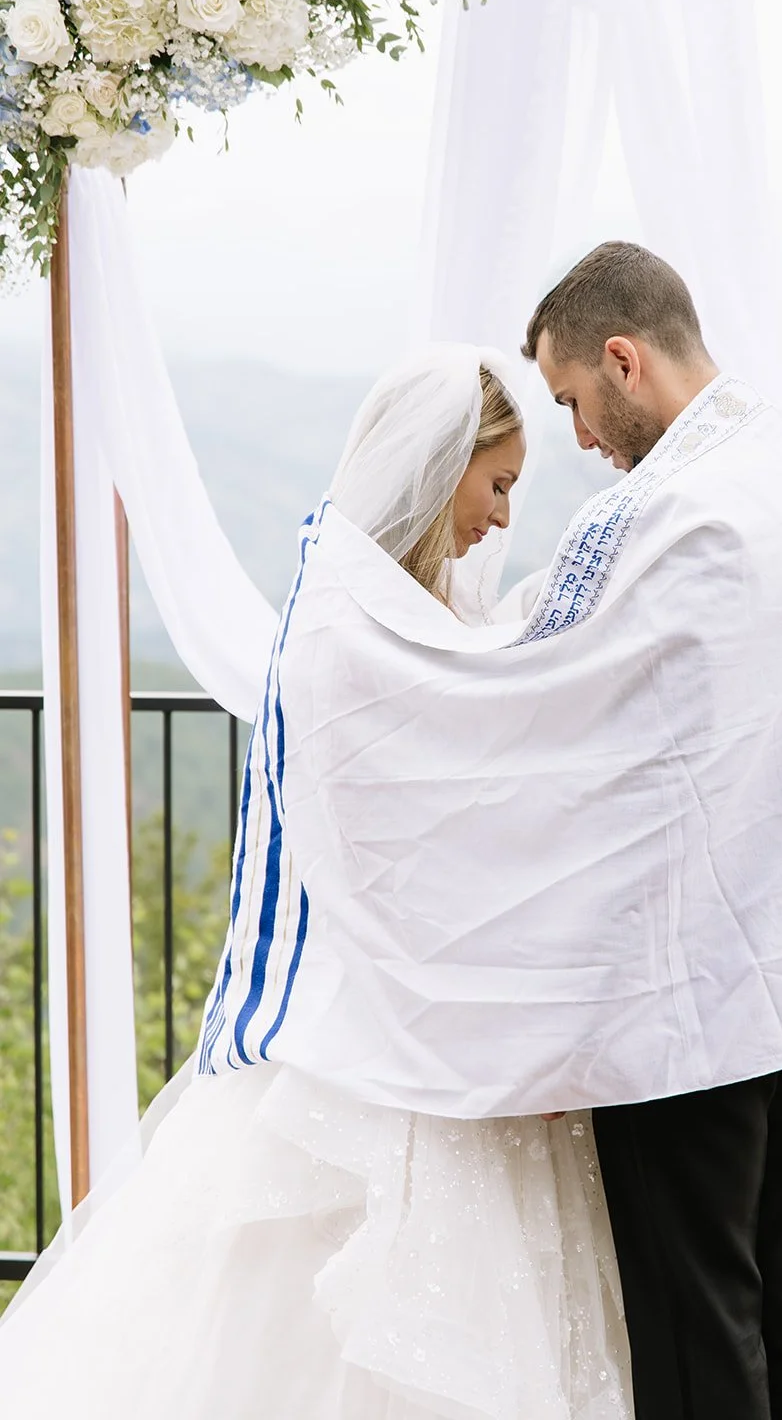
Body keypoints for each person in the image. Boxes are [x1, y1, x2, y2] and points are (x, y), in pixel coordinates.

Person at [0, 346, 633, 1420]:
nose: (502, 516)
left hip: (453, 1028)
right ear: (441, 471)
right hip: (384, 1032)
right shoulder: (352, 630)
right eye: (500, 484)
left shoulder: (409, 613)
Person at [520, 240, 782, 1420]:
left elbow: (585, 727)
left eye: (572, 405)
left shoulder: (678, 509)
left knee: (697, 1314)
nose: (580, 441)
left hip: (695, 985)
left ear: (621, 358)